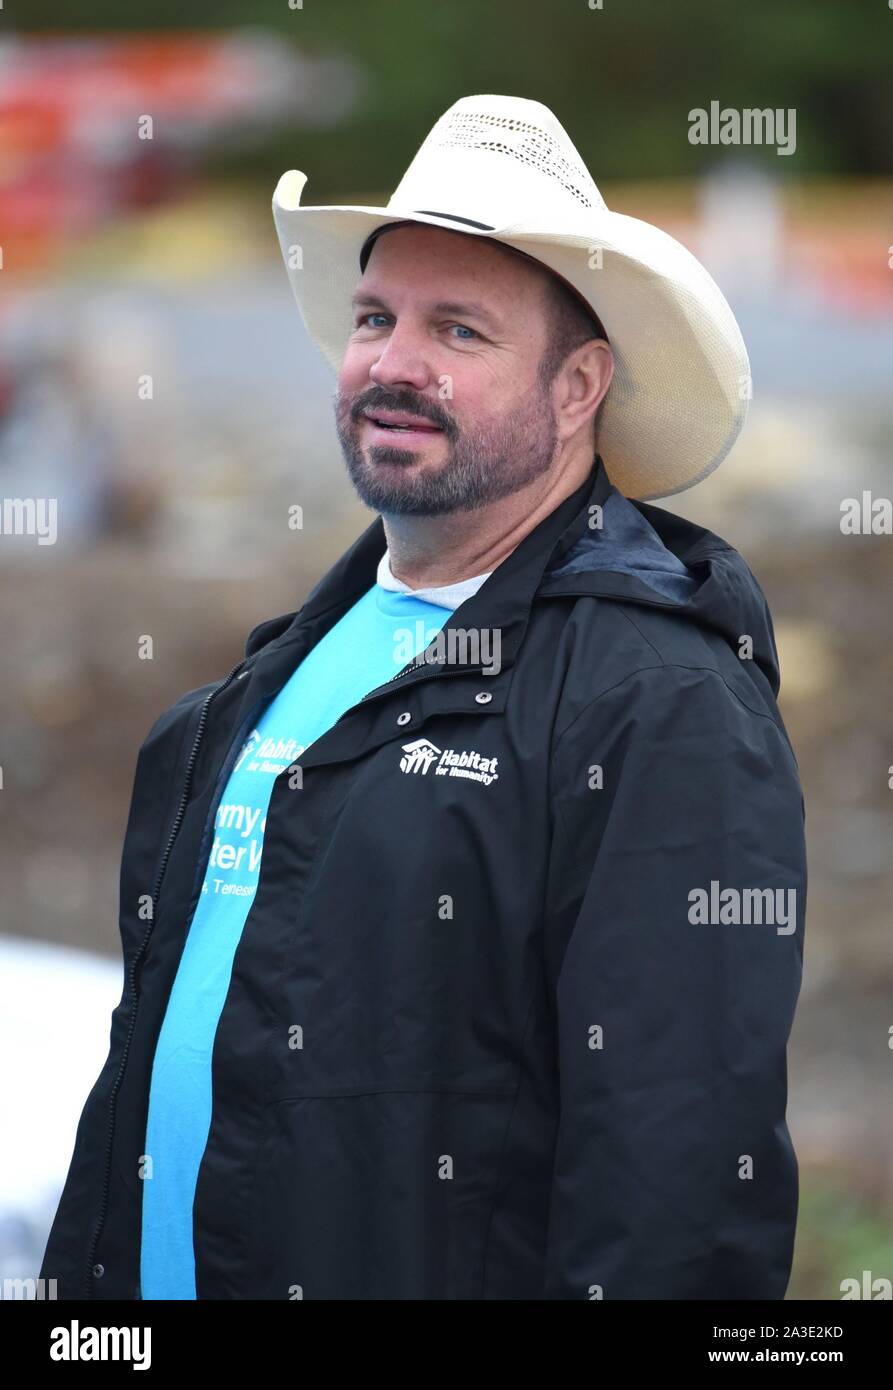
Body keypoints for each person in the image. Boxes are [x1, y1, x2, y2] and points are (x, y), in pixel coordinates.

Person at [41, 94, 806, 1300]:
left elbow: (678, 1195)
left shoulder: (656, 703)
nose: (393, 363)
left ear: (576, 387)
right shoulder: (272, 678)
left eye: (459, 329)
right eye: (372, 318)